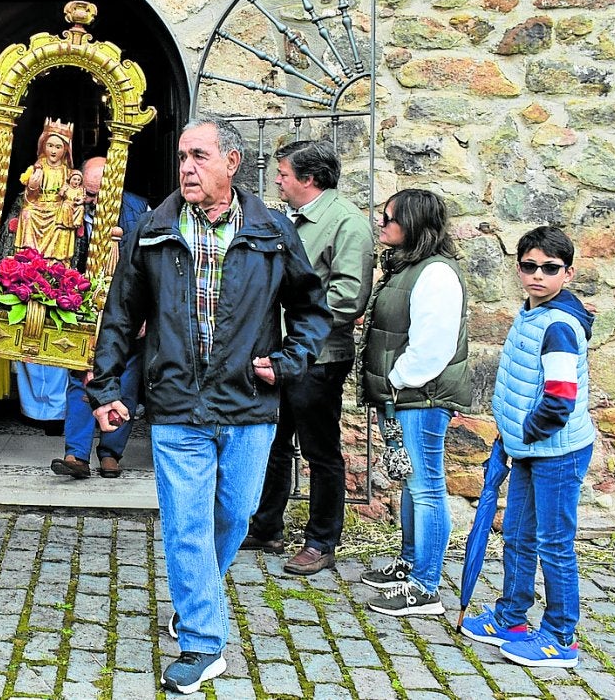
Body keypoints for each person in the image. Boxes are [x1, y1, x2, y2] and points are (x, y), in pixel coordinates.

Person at [88, 117, 329, 693]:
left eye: (198, 156)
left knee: (234, 516)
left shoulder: (272, 230)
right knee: (186, 524)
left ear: (231, 162)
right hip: (176, 403)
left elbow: (311, 308)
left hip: (248, 404)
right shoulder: (153, 229)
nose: (187, 168)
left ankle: (197, 597)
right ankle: (202, 641)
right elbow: (120, 317)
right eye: (181, 157)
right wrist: (103, 388)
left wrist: (291, 358)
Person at [461, 226, 593, 669]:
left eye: (550, 268)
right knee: (517, 534)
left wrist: (524, 435)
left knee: (554, 543)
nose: (538, 275)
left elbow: (558, 400)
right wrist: (512, 436)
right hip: (530, 448)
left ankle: (560, 637)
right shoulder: (532, 313)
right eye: (529, 266)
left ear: (568, 273)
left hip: (555, 451)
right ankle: (512, 617)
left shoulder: (558, 325)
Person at [243, 141, 373, 575]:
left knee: (320, 450)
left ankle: (321, 541)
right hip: (280, 352)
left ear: (309, 179)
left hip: (318, 357)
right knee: (274, 443)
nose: (277, 180)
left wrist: (298, 321)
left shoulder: (347, 224)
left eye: (283, 173)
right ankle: (267, 527)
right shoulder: (288, 220)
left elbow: (349, 296)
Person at [358, 188, 470, 616]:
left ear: (415, 224)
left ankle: (425, 586)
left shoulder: (436, 274)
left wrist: (397, 381)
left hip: (419, 398)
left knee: (426, 487)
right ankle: (410, 564)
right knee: (412, 482)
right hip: (403, 396)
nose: (382, 224)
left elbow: (432, 345)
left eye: (390, 217)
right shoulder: (412, 267)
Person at [52, 156, 150, 480]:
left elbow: (151, 266)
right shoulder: (69, 205)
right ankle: (76, 453)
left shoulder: (140, 209)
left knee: (127, 380)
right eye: (89, 193)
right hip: (81, 304)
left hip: (128, 309)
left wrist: (148, 311)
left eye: (97, 195)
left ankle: (111, 452)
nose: (91, 201)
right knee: (80, 377)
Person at [16, 118, 78, 262]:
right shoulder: (38, 167)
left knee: (63, 218)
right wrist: (32, 186)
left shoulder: (68, 172)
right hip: (38, 205)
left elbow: (74, 192)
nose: (53, 151)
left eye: (58, 147)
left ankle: (55, 261)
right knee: (27, 213)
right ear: (43, 146)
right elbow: (29, 198)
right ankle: (28, 258)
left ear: (65, 149)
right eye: (50, 145)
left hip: (57, 208)